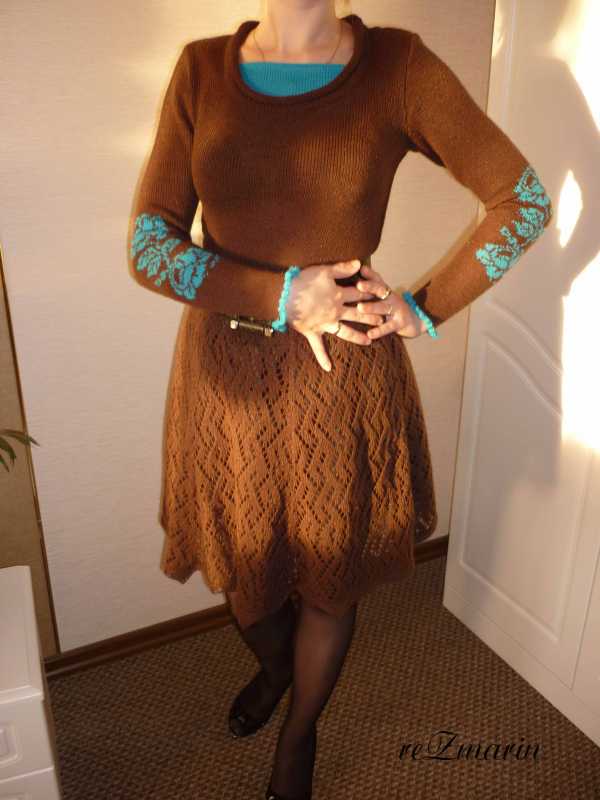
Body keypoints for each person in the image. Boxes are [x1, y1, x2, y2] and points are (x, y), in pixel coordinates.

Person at [127, 2, 553, 798]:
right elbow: (149, 246)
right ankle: (277, 670)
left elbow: (523, 201)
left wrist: (425, 306)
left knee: (330, 579)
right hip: (228, 382)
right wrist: (283, 295)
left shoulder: (398, 67)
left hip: (345, 384)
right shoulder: (200, 71)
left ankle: (301, 733)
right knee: (245, 572)